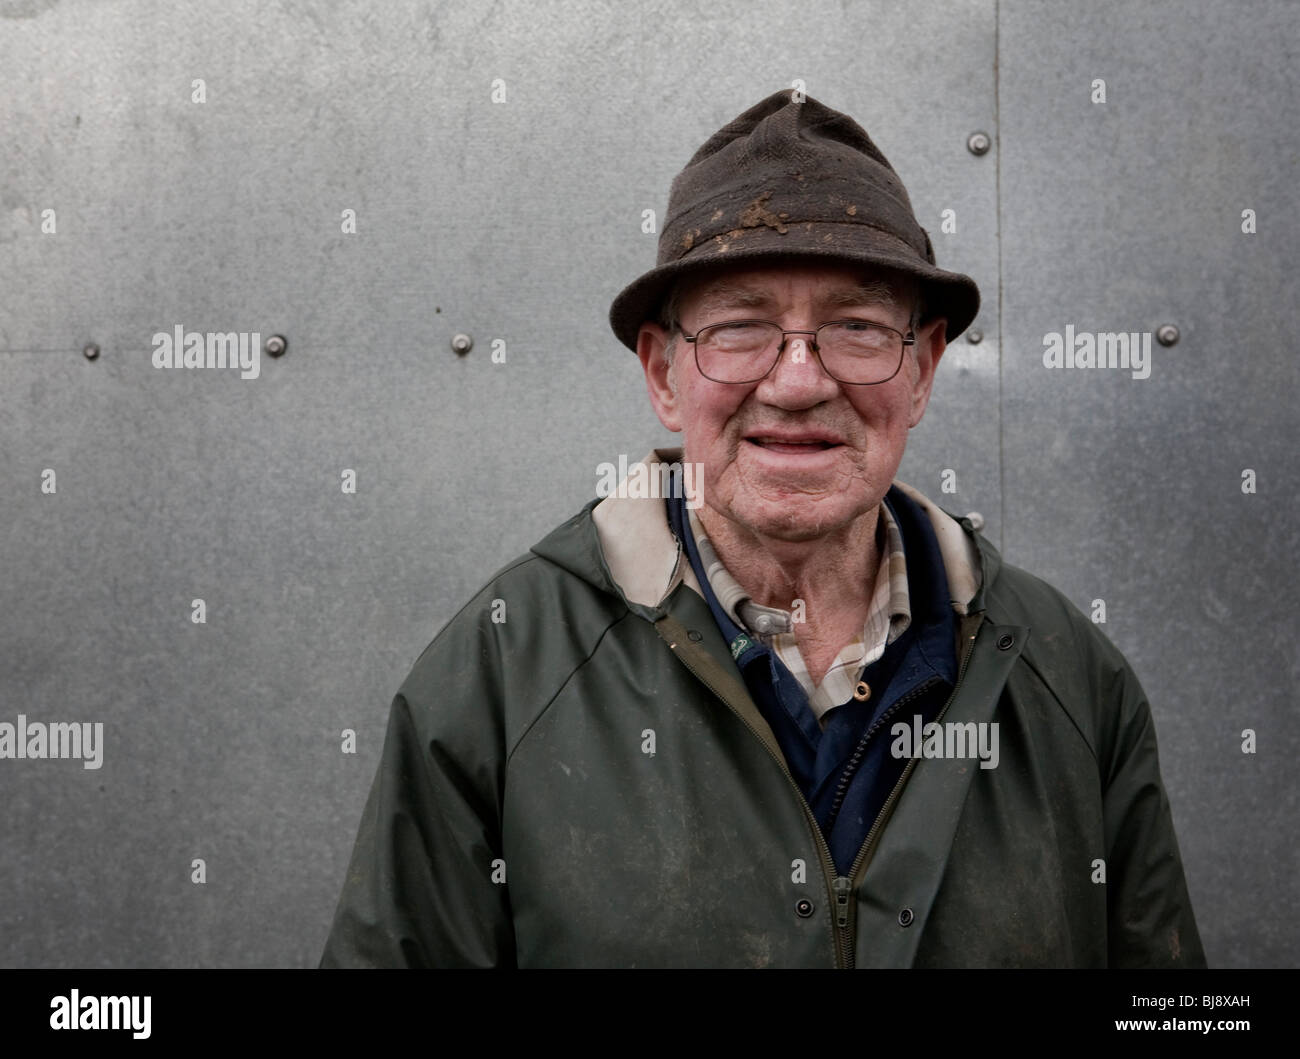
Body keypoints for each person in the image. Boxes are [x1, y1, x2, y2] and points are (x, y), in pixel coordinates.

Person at [320, 90, 1205, 968]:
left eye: (855, 327)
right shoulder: (501, 674)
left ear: (923, 370)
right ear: (664, 374)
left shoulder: (1071, 679)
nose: (796, 381)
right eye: (741, 328)